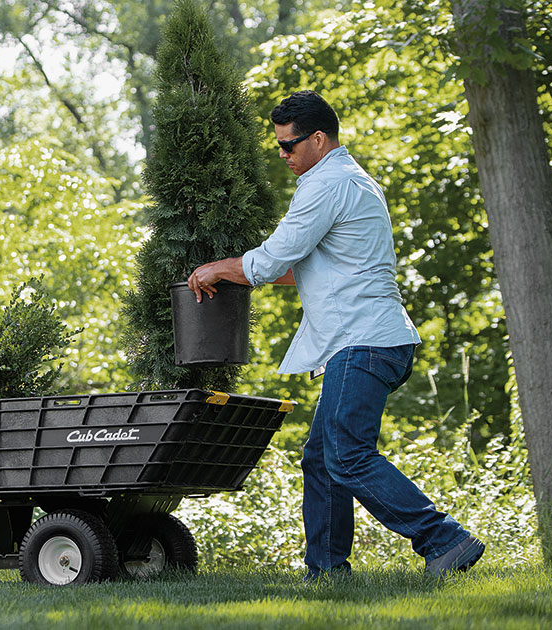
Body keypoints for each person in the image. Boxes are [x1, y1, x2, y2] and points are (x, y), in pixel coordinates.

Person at [187, 90, 484, 581]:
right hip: (372, 339)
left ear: (318, 140)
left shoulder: (326, 183)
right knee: (322, 459)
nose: (282, 155)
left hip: (364, 341)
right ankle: (326, 572)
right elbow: (302, 267)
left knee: (347, 456)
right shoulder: (353, 179)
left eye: (289, 145)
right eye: (279, 146)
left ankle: (445, 540)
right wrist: (239, 272)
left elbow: (274, 259)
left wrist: (219, 268)